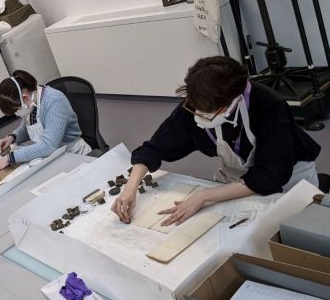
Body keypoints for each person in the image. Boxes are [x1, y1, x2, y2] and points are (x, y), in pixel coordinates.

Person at [111, 56, 321, 226]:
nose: (199, 115)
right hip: (233, 178)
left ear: (234, 99)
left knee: (287, 231)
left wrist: (203, 196)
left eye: (209, 112)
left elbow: (271, 175)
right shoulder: (195, 105)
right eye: (196, 108)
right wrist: (130, 189)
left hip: (289, 178)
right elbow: (154, 148)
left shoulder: (268, 105)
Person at [0, 70, 92, 173]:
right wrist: (12, 137)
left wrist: (10, 158)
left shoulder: (54, 101)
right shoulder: (31, 103)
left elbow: (48, 146)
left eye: (17, 108)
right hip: (53, 155)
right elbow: (27, 128)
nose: (17, 112)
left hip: (74, 155)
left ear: (25, 97)